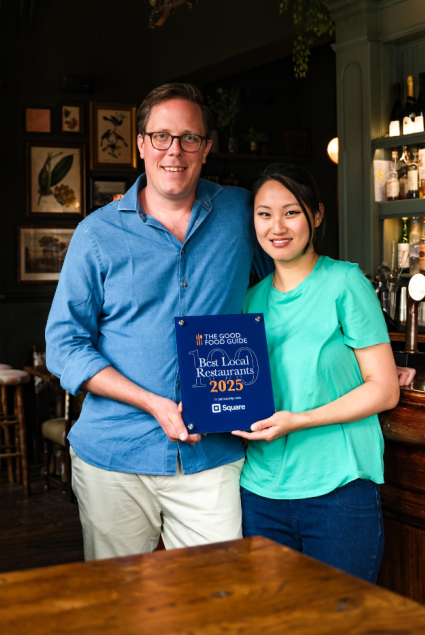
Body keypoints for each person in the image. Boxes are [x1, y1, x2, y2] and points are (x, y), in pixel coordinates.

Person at [46, 83, 272, 560]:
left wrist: (361, 355)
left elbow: (291, 287)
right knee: (123, 598)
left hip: (212, 452)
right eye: (161, 136)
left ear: (206, 148)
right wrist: (153, 403)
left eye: (189, 138)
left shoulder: (240, 213)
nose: (175, 151)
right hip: (115, 454)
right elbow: (64, 345)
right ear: (141, 144)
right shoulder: (96, 233)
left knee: (215, 592)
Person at [232, 163, 401, 583]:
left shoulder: (345, 282)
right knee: (275, 616)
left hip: (337, 490)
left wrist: (300, 420)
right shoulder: (249, 300)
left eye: (291, 212)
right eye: (264, 214)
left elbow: (384, 388)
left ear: (317, 215)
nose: (277, 227)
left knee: (341, 614)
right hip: (261, 492)